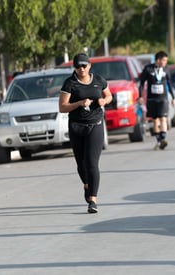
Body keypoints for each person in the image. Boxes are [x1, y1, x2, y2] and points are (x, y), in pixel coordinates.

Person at [59, 53, 112, 213]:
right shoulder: (70, 83)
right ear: (74, 67)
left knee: (91, 163)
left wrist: (104, 101)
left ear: (89, 65)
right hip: (76, 127)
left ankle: (93, 200)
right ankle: (87, 185)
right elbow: (62, 107)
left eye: (84, 66)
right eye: (78, 66)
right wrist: (79, 103)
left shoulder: (99, 80)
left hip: (95, 125)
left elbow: (109, 95)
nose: (81, 69)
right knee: (81, 165)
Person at [139, 51, 175, 150]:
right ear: (158, 60)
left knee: (163, 118)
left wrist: (173, 97)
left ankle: (163, 139)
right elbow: (141, 83)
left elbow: (170, 83)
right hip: (152, 99)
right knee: (155, 121)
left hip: (163, 98)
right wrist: (140, 96)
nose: (165, 63)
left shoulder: (166, 69)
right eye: (164, 60)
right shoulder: (148, 69)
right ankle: (159, 141)